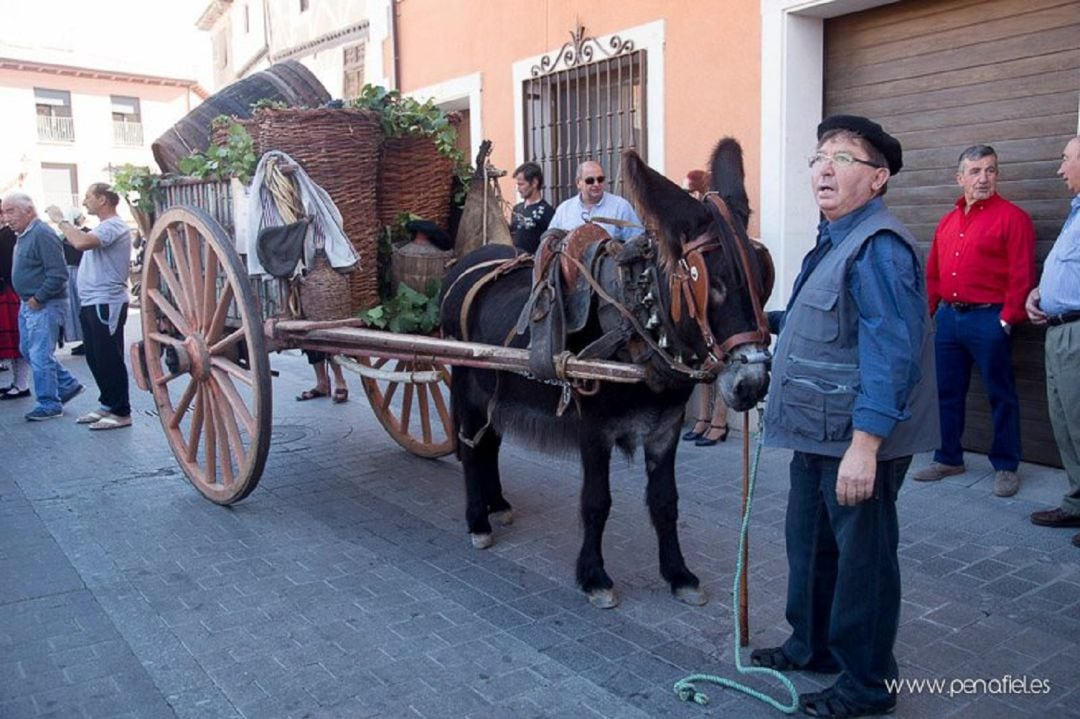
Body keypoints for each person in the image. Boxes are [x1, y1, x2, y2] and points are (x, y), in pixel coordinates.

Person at [753, 115, 938, 717]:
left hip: (857, 440)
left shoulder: (879, 247)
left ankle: (867, 684)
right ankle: (813, 647)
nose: (824, 168)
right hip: (817, 434)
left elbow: (892, 352)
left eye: (843, 158)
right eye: (818, 156)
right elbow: (829, 323)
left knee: (864, 562)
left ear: (878, 178)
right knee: (808, 544)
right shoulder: (832, 240)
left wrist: (867, 445)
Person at [913, 145, 1035, 497]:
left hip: (989, 320)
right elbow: (934, 272)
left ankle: (1006, 465)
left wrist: (1007, 319)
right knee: (946, 393)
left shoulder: (1013, 218)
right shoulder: (948, 221)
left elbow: (1022, 274)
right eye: (976, 171)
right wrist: (931, 313)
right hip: (949, 320)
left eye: (991, 170)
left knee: (1001, 394)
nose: (984, 178)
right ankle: (949, 457)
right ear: (960, 177)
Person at [1026, 135, 1080, 548]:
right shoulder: (1075, 212)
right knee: (1065, 423)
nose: (1060, 170)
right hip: (1058, 329)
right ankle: (1077, 503)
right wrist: (1038, 294)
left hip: (1077, 331)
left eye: (1066, 160)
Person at [46, 184, 132, 430]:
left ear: (103, 200)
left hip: (107, 301)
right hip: (93, 301)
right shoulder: (105, 226)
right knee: (95, 357)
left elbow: (81, 242)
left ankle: (121, 411)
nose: (84, 202)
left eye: (88, 197)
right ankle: (108, 404)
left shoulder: (114, 225)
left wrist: (60, 220)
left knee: (109, 358)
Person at [3, 191, 84, 420]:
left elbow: (58, 273)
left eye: (11, 211)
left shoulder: (42, 233)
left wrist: (39, 298)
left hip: (43, 304)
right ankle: (67, 385)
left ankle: (49, 404)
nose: (6, 217)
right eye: (4, 212)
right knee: (28, 350)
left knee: (39, 354)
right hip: (29, 303)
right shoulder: (24, 233)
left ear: (29, 210)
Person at [679, 169, 729, 446]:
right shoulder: (692, 221)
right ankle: (701, 419)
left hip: (720, 300)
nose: (688, 197)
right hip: (698, 298)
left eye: (690, 191)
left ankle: (720, 422)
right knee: (703, 360)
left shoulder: (718, 220)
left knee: (722, 361)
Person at [547, 160, 643, 242]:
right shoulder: (564, 210)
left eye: (600, 179)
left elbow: (637, 240)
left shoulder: (621, 207)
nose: (596, 184)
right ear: (578, 183)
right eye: (590, 180)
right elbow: (550, 242)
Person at [0, 223, 31, 397]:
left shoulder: (9, 234)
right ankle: (18, 382)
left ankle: (21, 383)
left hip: (8, 291)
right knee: (13, 341)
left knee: (16, 340)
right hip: (7, 290)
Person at [59, 208, 88, 355]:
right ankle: (82, 339)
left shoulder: (87, 233)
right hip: (71, 273)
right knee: (75, 309)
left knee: (82, 306)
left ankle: (87, 340)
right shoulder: (64, 237)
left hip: (81, 272)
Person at [508, 162, 554, 254]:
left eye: (521, 184)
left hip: (533, 264)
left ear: (534, 183)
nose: (518, 189)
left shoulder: (547, 211)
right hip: (515, 262)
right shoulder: (517, 208)